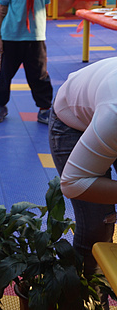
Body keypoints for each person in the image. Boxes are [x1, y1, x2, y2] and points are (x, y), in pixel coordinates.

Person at [50, 57, 117, 276]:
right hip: (73, 117)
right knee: (98, 226)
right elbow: (73, 184)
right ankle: (88, 296)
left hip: (102, 100)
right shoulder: (113, 115)